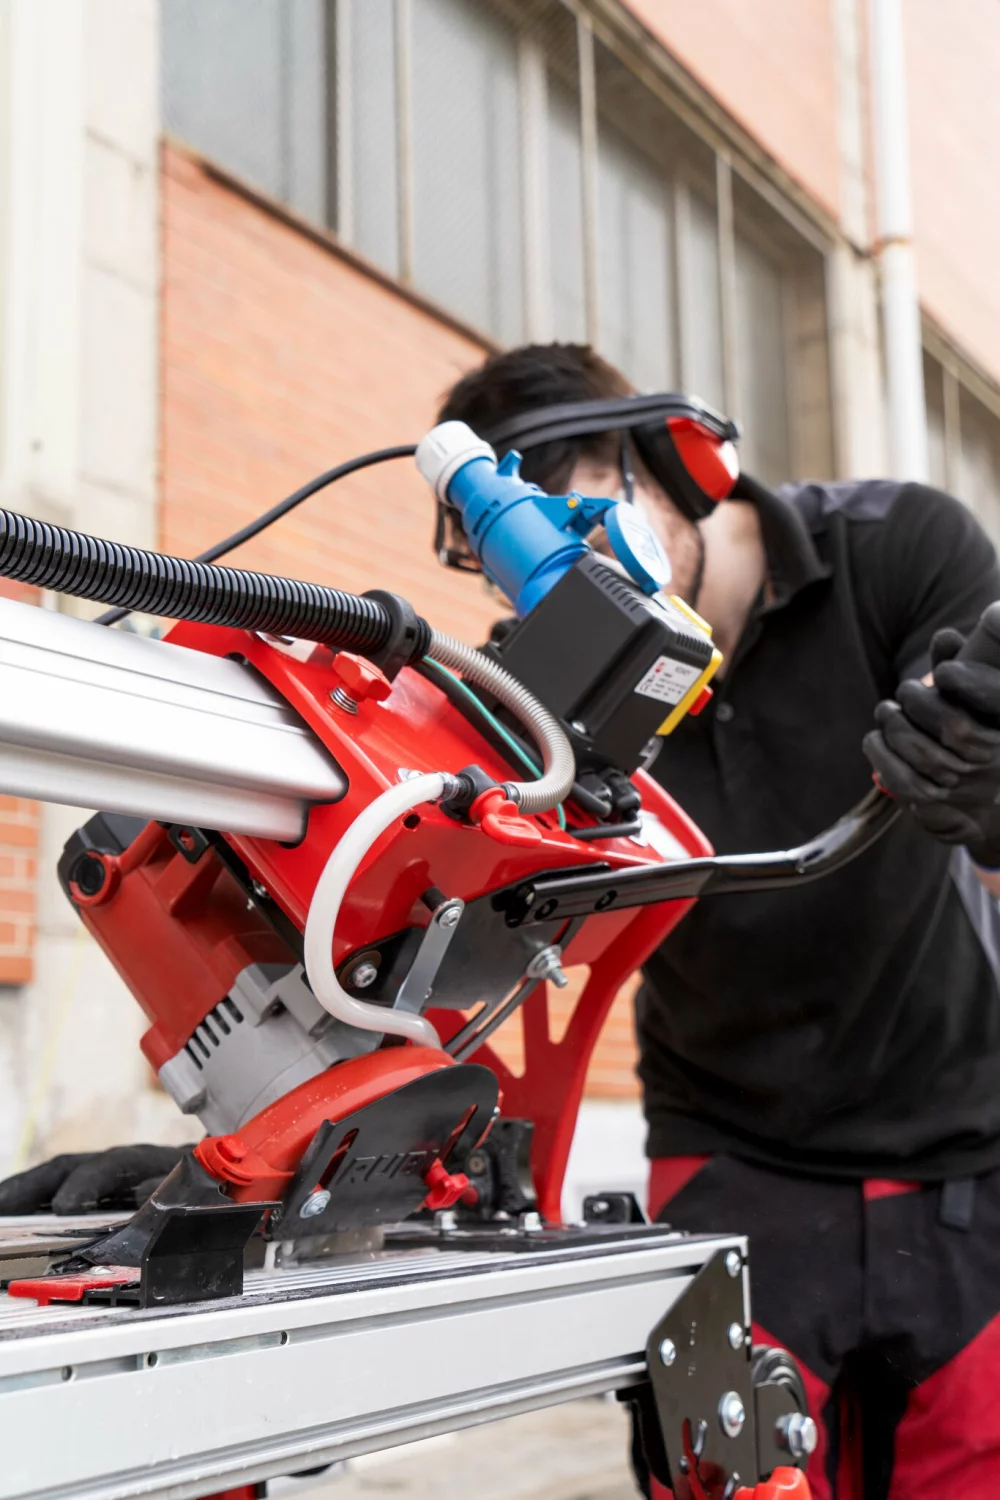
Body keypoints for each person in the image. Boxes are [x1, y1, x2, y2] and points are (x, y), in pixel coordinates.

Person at [436, 343, 1000, 1499]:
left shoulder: (901, 546)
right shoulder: (540, 691)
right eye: (512, 564)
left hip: (966, 1151)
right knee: (724, 1481)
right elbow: (453, 922)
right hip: (727, 1160)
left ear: (670, 459)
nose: (553, 580)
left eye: (577, 503)